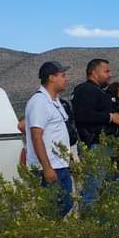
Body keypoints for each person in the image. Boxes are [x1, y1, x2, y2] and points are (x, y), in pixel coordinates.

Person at [71, 59, 119, 204]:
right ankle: (90, 224)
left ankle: (107, 223)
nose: (110, 74)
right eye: (106, 71)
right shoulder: (85, 90)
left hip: (106, 146)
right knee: (92, 191)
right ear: (94, 73)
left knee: (117, 186)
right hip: (96, 146)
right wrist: (110, 117)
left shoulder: (99, 92)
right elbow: (82, 115)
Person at [25, 61, 74, 217]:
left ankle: (52, 234)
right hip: (50, 166)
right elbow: (36, 135)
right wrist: (46, 167)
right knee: (53, 206)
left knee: (65, 202)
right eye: (62, 75)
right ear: (51, 78)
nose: (66, 79)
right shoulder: (39, 102)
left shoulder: (54, 101)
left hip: (59, 163)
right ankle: (47, 236)